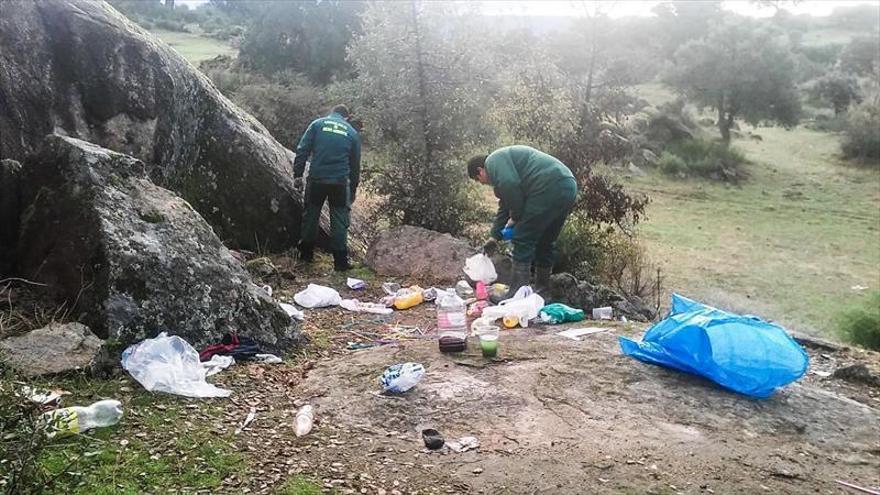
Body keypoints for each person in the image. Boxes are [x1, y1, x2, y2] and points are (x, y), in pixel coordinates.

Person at [467, 145, 578, 296]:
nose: (482, 183)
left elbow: (510, 184)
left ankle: (516, 295)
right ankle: (542, 292)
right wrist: (495, 236)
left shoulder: (493, 161)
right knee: (545, 240)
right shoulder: (504, 168)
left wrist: (516, 215)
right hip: (568, 185)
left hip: (547, 185)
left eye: (478, 180)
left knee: (522, 237)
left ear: (480, 170)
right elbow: (505, 204)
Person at [293, 104, 361, 271]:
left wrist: (298, 175)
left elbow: (302, 150)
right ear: (347, 117)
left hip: (317, 179)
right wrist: (352, 189)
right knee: (339, 220)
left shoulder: (317, 124)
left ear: (332, 113)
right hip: (339, 182)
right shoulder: (351, 132)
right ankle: (340, 262)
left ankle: (306, 255)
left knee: (311, 216)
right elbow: (355, 165)